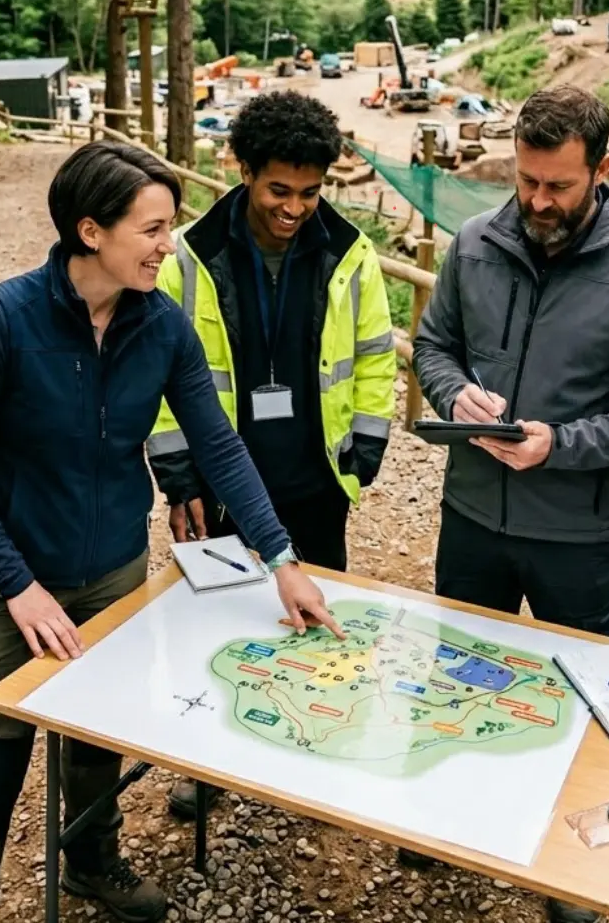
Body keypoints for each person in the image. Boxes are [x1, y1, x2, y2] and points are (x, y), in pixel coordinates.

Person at [0, 141, 337, 923]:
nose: (166, 246)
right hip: (7, 582)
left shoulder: (164, 328)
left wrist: (280, 557)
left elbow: (218, 445)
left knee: (96, 740)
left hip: (113, 569)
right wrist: (17, 586)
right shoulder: (2, 322)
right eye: (151, 229)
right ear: (91, 231)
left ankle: (93, 863)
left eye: (170, 227)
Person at [413, 85, 609, 922]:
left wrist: (558, 446)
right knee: (457, 677)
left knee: (572, 697)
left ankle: (568, 866)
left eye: (558, 186)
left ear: (602, 172)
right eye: (528, 181)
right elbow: (434, 345)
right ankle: (444, 814)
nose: (536, 201)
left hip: (577, 535)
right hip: (471, 518)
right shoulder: (471, 244)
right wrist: (455, 391)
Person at [147, 90, 396, 820]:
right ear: (243, 169)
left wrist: (369, 444)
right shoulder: (191, 255)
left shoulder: (350, 253)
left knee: (320, 620)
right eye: (279, 190)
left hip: (317, 476)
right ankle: (206, 761)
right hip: (224, 482)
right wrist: (178, 472)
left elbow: (378, 353)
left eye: (311, 193)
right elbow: (159, 373)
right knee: (215, 623)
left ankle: (317, 748)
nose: (294, 208)